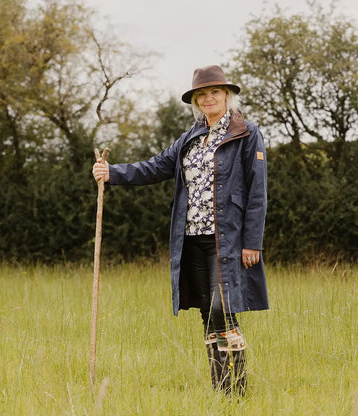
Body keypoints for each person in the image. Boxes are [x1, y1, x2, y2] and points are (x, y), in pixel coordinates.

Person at [93, 65, 269, 396]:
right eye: (202, 94)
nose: (208, 98)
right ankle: (222, 391)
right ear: (196, 101)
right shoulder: (189, 139)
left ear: (226, 95)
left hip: (227, 240)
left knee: (222, 307)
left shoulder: (247, 134)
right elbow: (155, 166)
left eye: (215, 92)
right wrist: (112, 172)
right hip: (192, 240)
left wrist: (252, 242)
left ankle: (238, 390)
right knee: (207, 313)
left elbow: (257, 191)